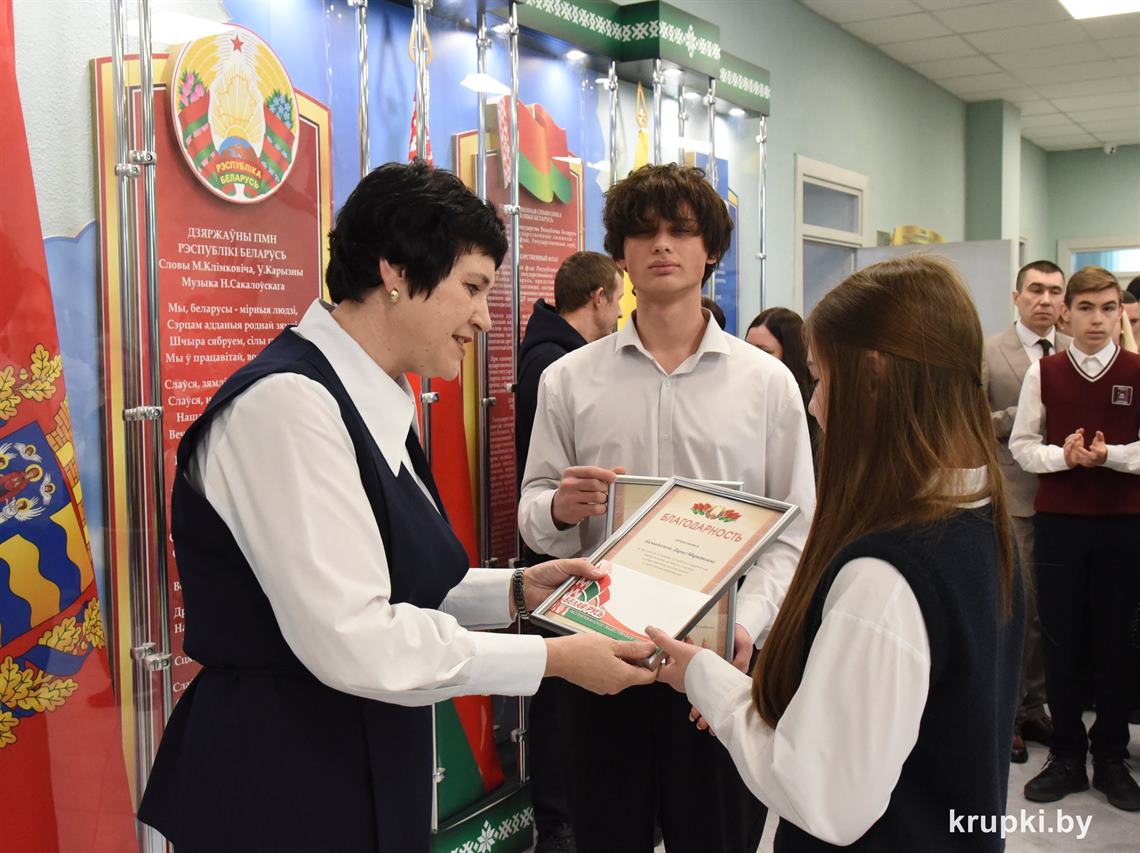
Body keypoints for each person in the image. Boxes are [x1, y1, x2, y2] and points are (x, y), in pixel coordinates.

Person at [137, 161, 656, 853]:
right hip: (280, 782)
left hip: (357, 764)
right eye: (472, 287)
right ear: (395, 270)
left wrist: (517, 590)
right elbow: (356, 636)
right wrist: (552, 659)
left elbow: (393, 578)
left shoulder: (373, 397)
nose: (484, 317)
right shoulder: (287, 406)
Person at [649, 255, 1024, 850]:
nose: (814, 404)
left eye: (821, 379)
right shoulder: (979, 514)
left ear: (872, 376)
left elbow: (821, 795)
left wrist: (704, 678)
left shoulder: (884, 576)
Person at [519, 163, 816, 853]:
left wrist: (751, 625)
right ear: (620, 254)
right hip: (601, 655)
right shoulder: (569, 380)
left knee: (717, 835)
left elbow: (795, 530)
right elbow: (533, 515)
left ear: (711, 249)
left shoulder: (767, 384)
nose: (661, 244)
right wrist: (560, 508)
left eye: (681, 230)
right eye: (644, 231)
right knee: (605, 836)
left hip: (718, 662)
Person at [1011, 266, 1140, 812]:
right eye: (1086, 308)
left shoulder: (1136, 370)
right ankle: (1066, 753)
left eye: (1109, 308)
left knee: (1114, 639)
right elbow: (1022, 446)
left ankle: (1110, 755)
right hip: (1060, 523)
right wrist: (1062, 456)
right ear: (1068, 312)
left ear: (1119, 313)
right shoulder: (1044, 371)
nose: (1098, 320)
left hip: (1122, 523)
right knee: (1059, 639)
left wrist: (1109, 455)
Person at [514, 249, 622, 853]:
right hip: (563, 563)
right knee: (560, 691)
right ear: (599, 297)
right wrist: (560, 506)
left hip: (567, 565)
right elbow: (538, 495)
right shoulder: (557, 369)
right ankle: (558, 818)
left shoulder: (556, 357)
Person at [981, 259, 1069, 765]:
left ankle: (1036, 705)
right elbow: (969, 417)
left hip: (1071, 494)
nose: (1045, 300)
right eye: (1036, 290)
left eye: (1055, 291)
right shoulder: (991, 351)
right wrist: (1030, 412)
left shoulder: (1075, 352)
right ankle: (1009, 713)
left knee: (1050, 612)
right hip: (1014, 496)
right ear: (1016, 296)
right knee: (1017, 608)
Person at [745, 307, 818, 467]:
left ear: (791, 354)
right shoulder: (742, 399)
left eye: (764, 352)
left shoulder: (813, 406)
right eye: (747, 349)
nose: (751, 359)